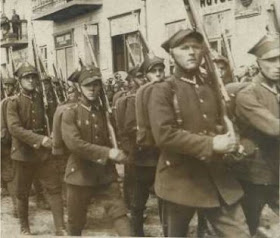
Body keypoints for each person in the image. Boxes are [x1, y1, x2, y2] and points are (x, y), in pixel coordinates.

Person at [148, 28, 249, 237]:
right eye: (184, 48)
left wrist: (233, 142)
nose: (192, 52)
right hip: (179, 180)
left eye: (195, 47)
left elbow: (223, 122)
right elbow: (165, 134)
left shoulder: (211, 86)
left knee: (239, 233)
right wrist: (211, 144)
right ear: (172, 54)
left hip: (216, 177)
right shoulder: (163, 90)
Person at [60, 65, 133, 236]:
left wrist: (120, 151)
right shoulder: (70, 112)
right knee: (75, 223)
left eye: (96, 85)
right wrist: (107, 153)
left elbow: (113, 137)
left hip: (105, 174)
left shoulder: (103, 113)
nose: (92, 89)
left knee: (120, 214)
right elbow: (74, 144)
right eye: (87, 85)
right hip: (79, 175)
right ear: (79, 87)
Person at [6, 62, 66, 236]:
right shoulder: (13, 102)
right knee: (22, 192)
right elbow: (15, 129)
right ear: (19, 80)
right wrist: (40, 140)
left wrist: (54, 133)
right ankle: (24, 227)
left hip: (43, 154)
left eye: (33, 77)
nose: (31, 80)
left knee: (54, 188)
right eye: (27, 77)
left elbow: (51, 117)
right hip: (23, 154)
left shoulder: (41, 98)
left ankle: (60, 227)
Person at [235, 34, 280, 236]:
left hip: (276, 171)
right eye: (271, 60)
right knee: (248, 228)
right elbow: (273, 128)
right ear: (258, 62)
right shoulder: (248, 94)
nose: (278, 65)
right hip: (256, 174)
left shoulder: (276, 88)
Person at [120, 55, 165, 236]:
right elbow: (130, 127)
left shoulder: (168, 92)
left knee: (166, 199)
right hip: (143, 156)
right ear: (146, 75)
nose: (158, 74)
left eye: (161, 70)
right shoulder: (135, 98)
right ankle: (137, 233)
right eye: (153, 72)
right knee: (138, 202)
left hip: (163, 155)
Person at [1, 77, 17, 216]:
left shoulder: (13, 101)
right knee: (9, 173)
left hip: (12, 141)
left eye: (9, 86)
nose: (7, 88)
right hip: (5, 142)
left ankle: (17, 206)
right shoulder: (4, 101)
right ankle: (16, 205)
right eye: (5, 86)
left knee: (13, 173)